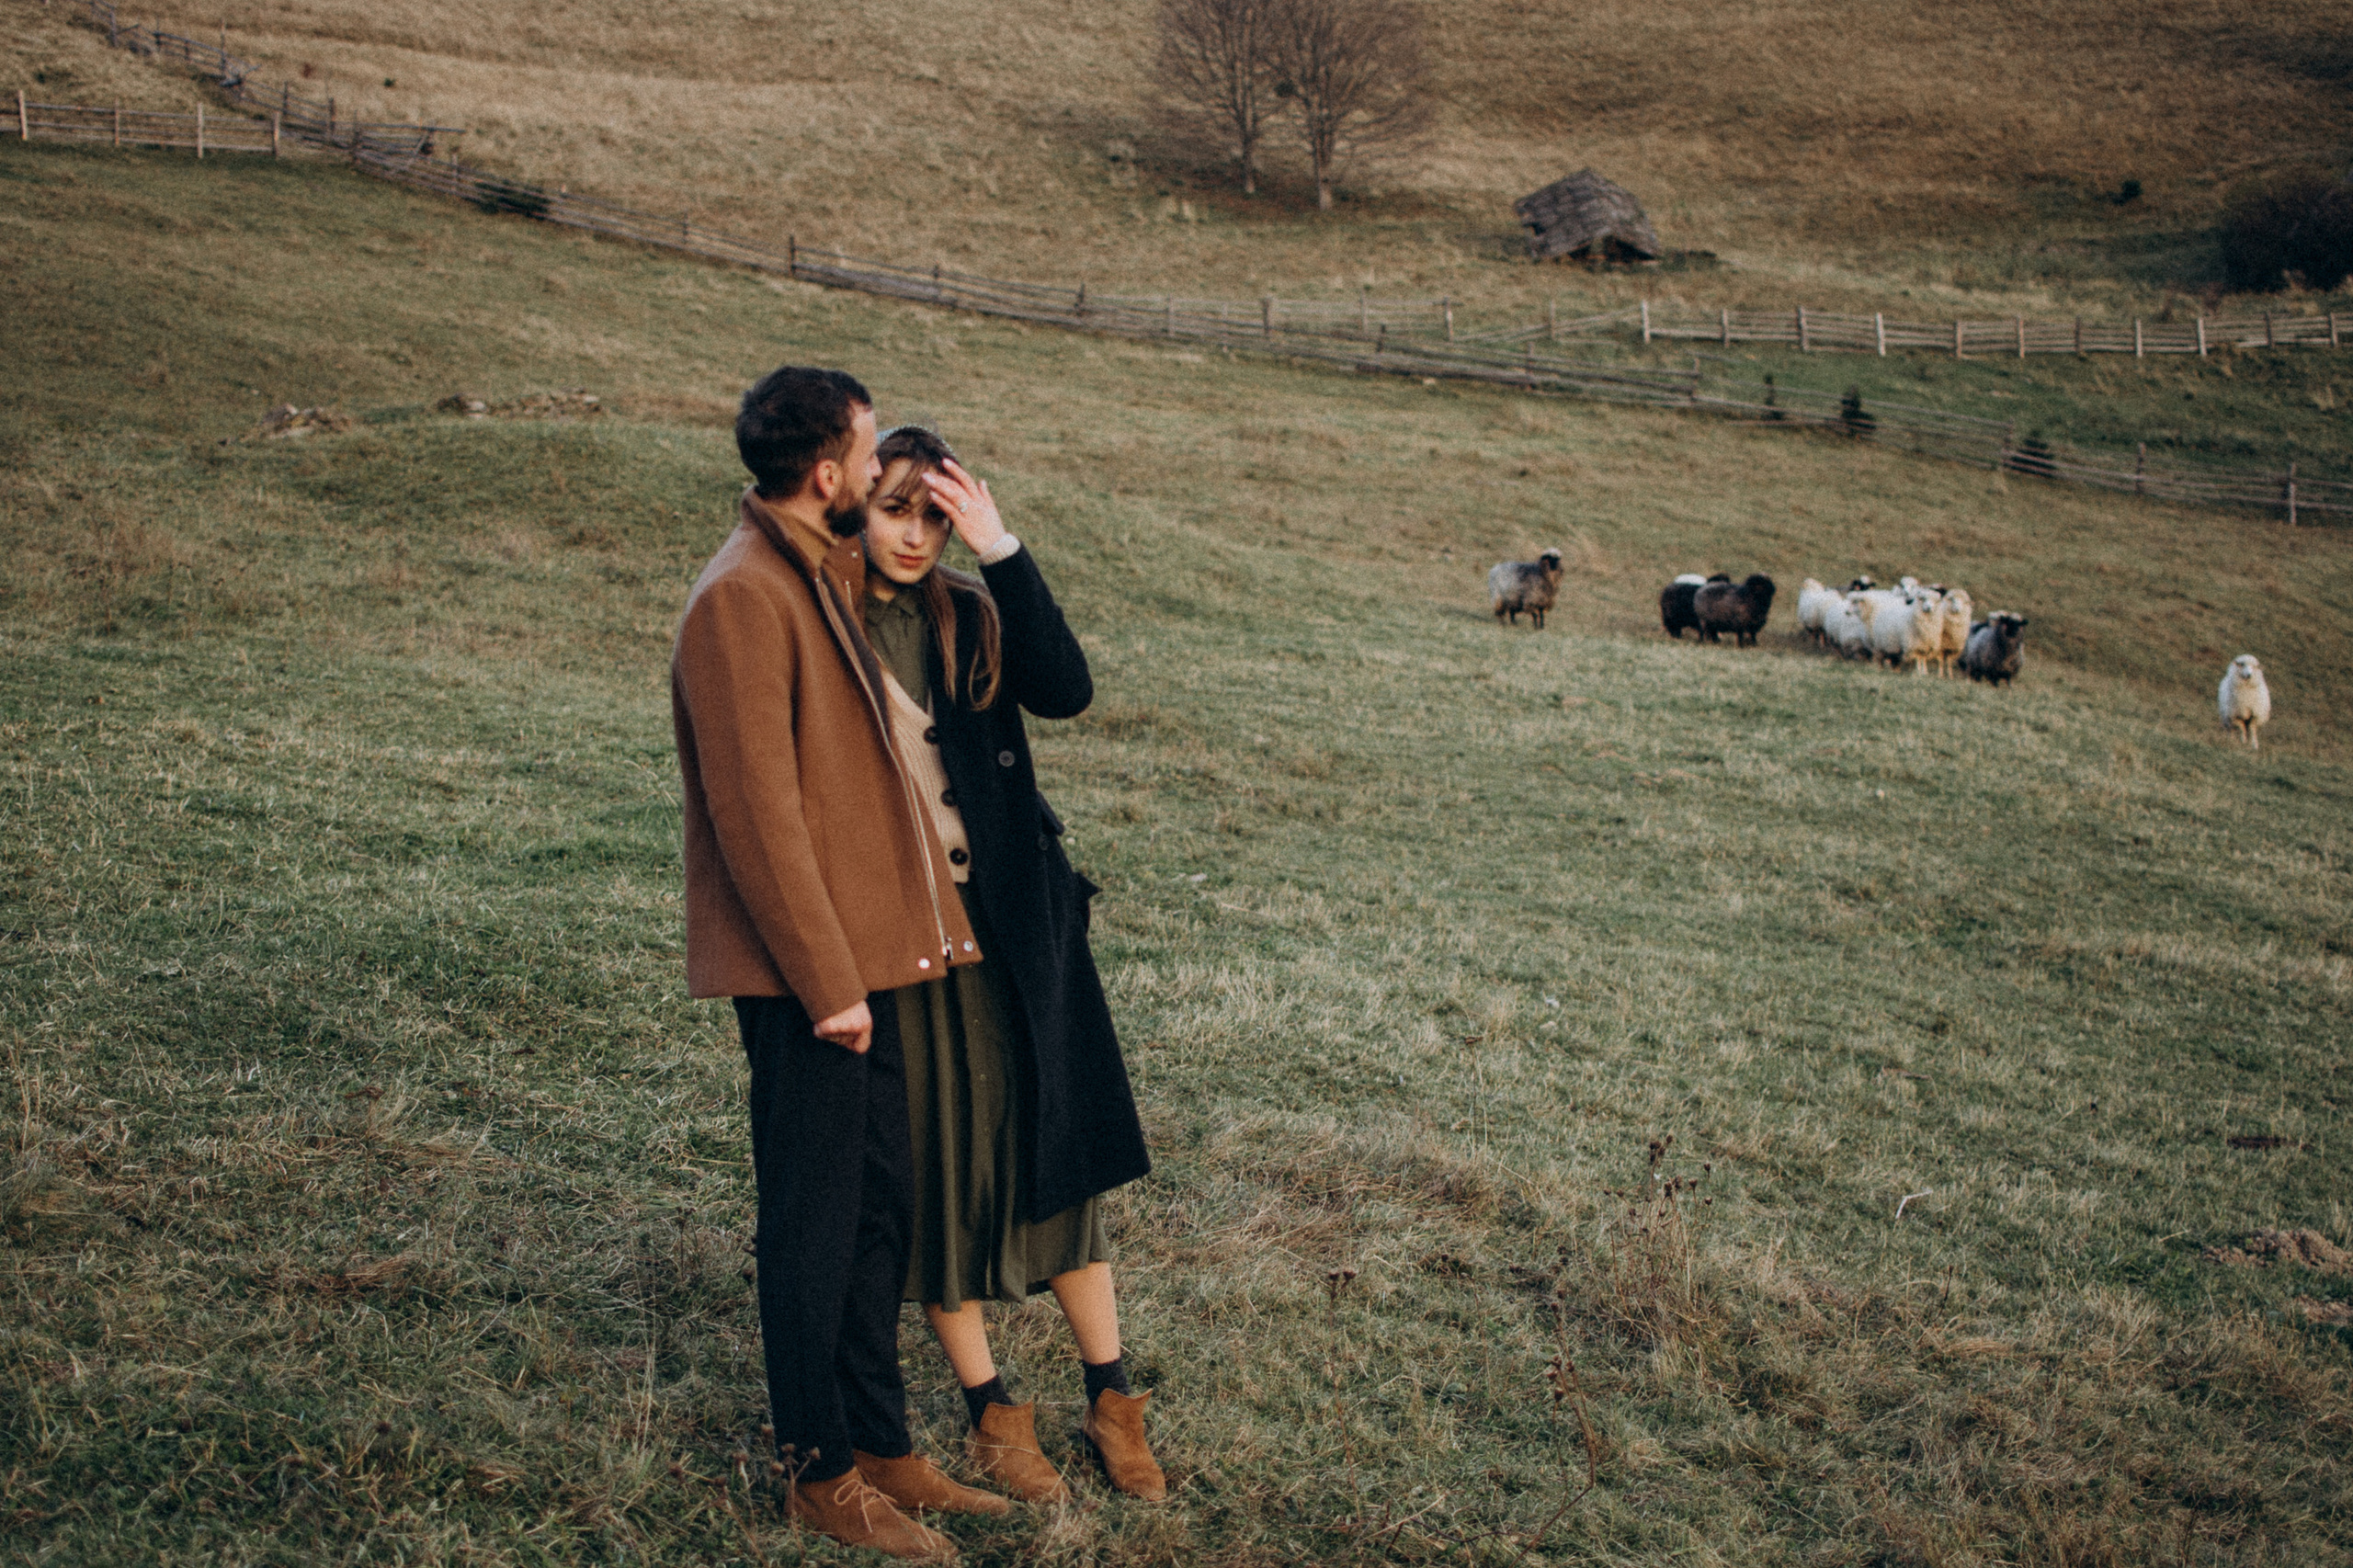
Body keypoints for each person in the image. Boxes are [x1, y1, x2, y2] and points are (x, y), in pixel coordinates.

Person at [671, 367, 1004, 1562]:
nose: (878, 474)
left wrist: (992, 541)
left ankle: (882, 1444)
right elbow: (756, 816)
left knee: (881, 1208)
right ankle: (815, 1469)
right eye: (868, 455)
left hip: (875, 963)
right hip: (813, 983)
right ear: (825, 473)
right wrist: (830, 987)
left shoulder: (820, 572)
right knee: (812, 1225)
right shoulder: (743, 598)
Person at [857, 425, 1162, 1504]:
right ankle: (992, 1412)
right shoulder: (827, 621)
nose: (914, 534)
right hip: (905, 937)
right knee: (942, 1168)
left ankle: (1112, 1399)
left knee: (1059, 1156)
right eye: (897, 509)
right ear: (857, 505)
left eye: (933, 515)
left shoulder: (971, 612)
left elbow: (1066, 690)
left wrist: (1000, 547)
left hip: (1018, 928)